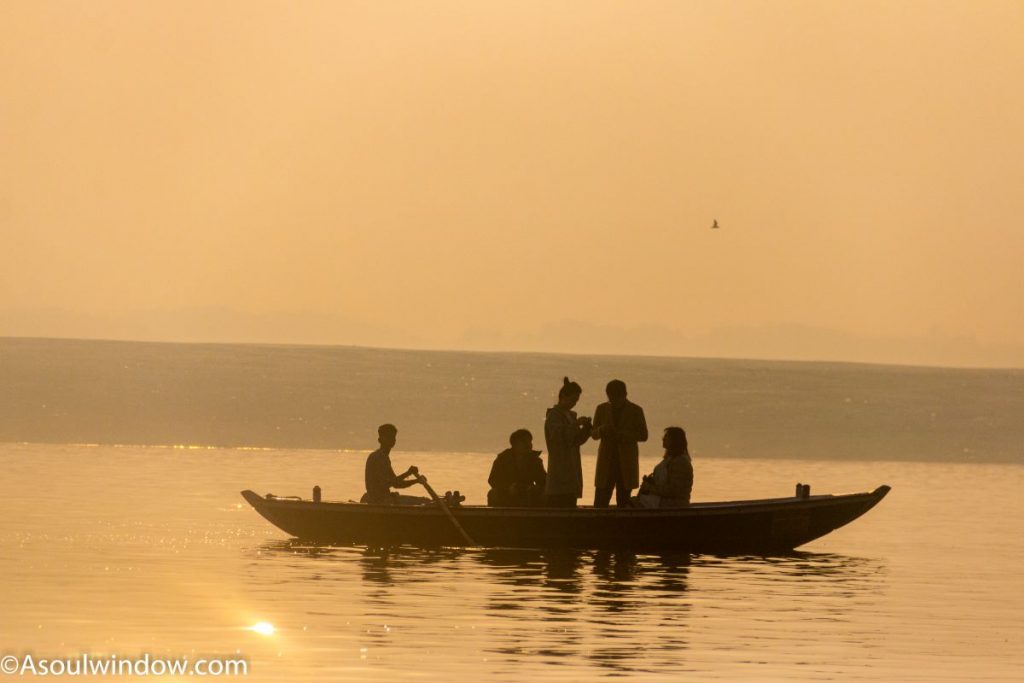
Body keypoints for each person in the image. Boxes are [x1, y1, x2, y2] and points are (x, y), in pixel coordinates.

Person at [591, 379, 648, 507]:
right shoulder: (601, 409)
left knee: (623, 502)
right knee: (600, 502)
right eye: (610, 398)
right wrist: (601, 430)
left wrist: (623, 435)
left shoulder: (636, 410)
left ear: (625, 395)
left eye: (616, 399)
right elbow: (593, 434)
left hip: (626, 465)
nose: (613, 402)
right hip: (606, 463)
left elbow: (644, 435)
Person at [543, 377, 592, 507]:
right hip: (559, 470)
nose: (574, 403)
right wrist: (577, 424)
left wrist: (586, 430)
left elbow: (575, 441)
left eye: (576, 401)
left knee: (570, 502)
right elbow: (559, 436)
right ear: (563, 396)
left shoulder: (570, 416)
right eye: (573, 400)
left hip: (571, 469)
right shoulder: (554, 415)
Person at [360, 424, 429, 505]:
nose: (391, 440)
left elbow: (397, 483)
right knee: (425, 501)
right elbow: (393, 483)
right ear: (380, 440)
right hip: (380, 500)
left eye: (393, 437)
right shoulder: (378, 457)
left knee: (426, 501)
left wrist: (416, 480)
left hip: (385, 498)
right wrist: (409, 474)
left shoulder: (384, 458)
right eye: (388, 437)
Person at [633, 426, 693, 508]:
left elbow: (673, 490)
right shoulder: (669, 459)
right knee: (632, 501)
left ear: (675, 441)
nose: (663, 439)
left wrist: (651, 488)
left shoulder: (681, 463)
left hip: (674, 504)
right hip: (662, 500)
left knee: (635, 503)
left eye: (666, 437)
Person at [487, 428, 547, 507]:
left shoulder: (535, 460)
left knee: (544, 495)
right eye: (525, 442)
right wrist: (509, 488)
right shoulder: (503, 459)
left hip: (528, 495)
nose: (529, 445)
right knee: (493, 494)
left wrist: (533, 488)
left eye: (530, 441)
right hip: (507, 494)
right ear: (515, 444)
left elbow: (543, 481)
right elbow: (493, 480)